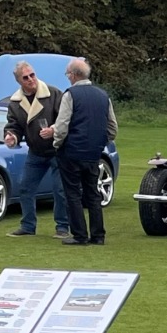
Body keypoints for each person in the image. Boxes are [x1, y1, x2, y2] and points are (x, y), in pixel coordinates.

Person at [53, 57, 117, 246]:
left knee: (72, 193)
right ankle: (98, 235)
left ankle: (80, 235)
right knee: (93, 193)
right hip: (93, 152)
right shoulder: (103, 95)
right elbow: (112, 127)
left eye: (68, 74)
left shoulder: (70, 95)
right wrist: (102, 142)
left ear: (73, 75)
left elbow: (62, 125)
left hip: (71, 152)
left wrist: (57, 143)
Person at [3, 61, 66, 237]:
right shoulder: (15, 102)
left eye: (32, 75)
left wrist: (53, 130)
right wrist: (11, 136)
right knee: (25, 186)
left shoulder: (53, 93)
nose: (31, 79)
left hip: (57, 150)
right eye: (26, 77)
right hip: (36, 151)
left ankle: (62, 227)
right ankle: (28, 226)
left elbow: (65, 118)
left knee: (60, 189)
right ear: (19, 81)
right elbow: (13, 125)